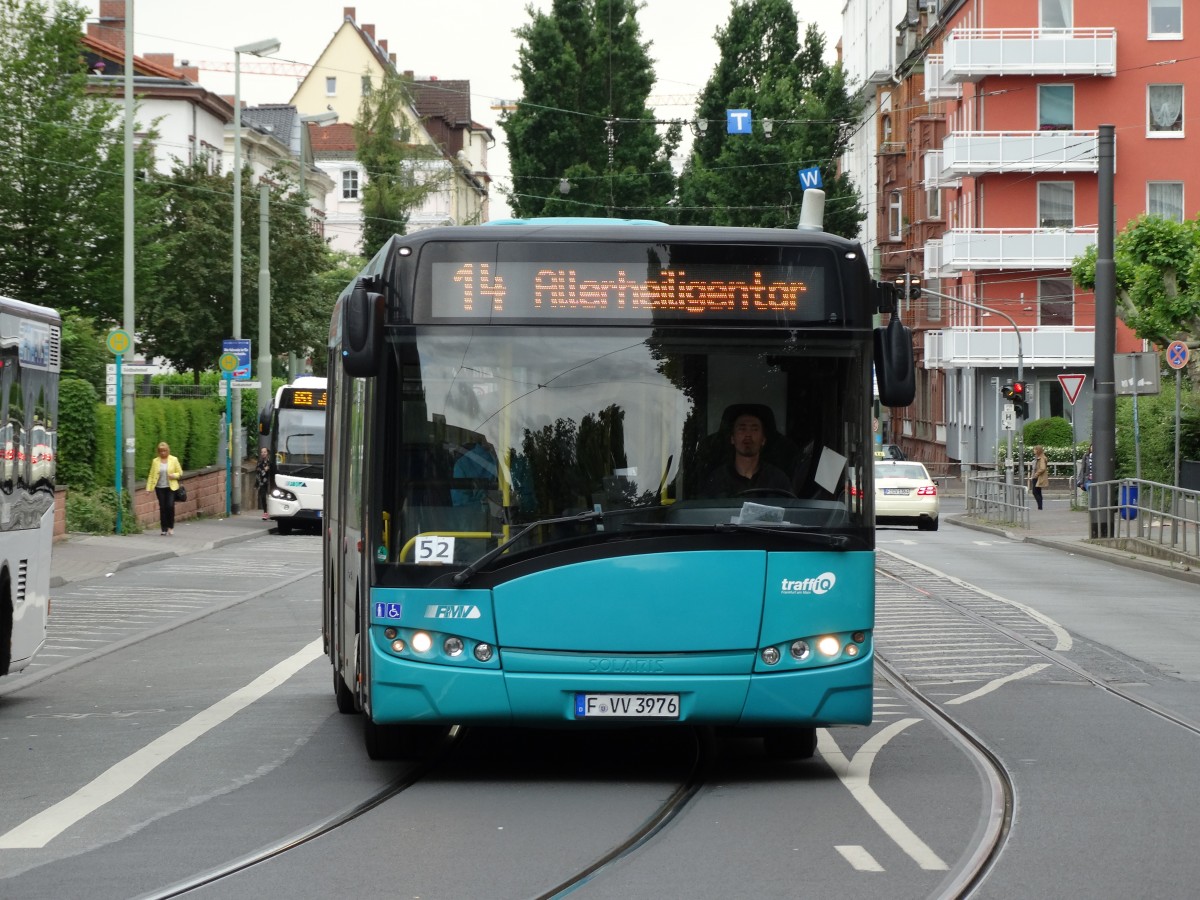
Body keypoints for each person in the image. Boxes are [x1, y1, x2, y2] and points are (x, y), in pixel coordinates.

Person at [700, 410, 793, 497]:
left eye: (754, 429)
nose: (748, 434)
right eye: (742, 429)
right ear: (732, 438)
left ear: (763, 440)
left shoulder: (778, 479)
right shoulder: (717, 480)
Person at [146, 441, 183, 535]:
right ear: (158, 452)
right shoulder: (155, 461)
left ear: (168, 450)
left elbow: (180, 473)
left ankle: (171, 526)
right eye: (161, 451)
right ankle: (164, 528)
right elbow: (151, 475)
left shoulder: (173, 459)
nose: (163, 453)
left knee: (170, 506)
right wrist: (148, 488)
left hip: (171, 487)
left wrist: (174, 475)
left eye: (164, 451)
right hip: (159, 487)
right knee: (162, 507)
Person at [1030, 445, 1049, 511]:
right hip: (1036, 476)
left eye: (1035, 449)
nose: (1034, 451)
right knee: (1038, 491)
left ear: (1038, 450)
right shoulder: (1038, 457)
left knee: (1035, 492)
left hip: (1037, 477)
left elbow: (1042, 468)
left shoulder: (1041, 458)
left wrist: (1036, 474)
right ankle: (1040, 506)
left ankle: (1040, 506)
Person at [255, 446, 272, 520]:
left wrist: (268, 469)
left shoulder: (270, 462)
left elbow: (274, 471)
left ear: (267, 453)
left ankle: (273, 512)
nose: (263, 453)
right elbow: (257, 473)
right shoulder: (259, 462)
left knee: (271, 497)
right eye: (262, 452)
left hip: (270, 482)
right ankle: (265, 513)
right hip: (262, 482)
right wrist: (256, 483)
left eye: (264, 452)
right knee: (263, 497)